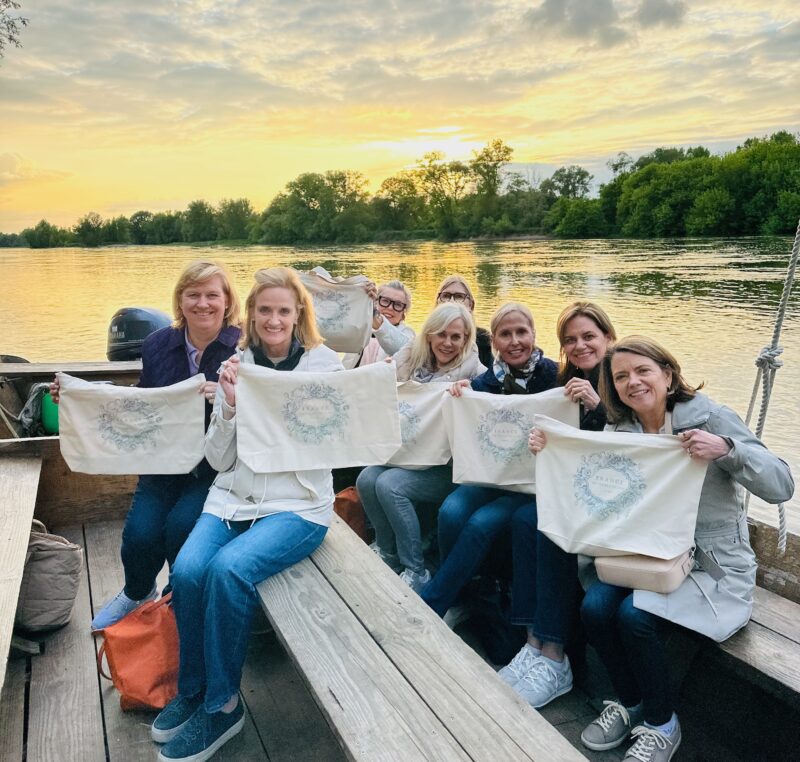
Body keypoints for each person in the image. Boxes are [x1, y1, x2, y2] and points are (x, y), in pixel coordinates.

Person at [529, 335, 794, 762]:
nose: (632, 382)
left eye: (642, 371)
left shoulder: (711, 419)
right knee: (595, 605)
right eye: (620, 377)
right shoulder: (622, 430)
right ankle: (630, 703)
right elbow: (591, 486)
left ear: (667, 375)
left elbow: (781, 484)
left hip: (710, 566)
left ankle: (661, 722)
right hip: (646, 557)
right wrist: (549, 453)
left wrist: (727, 450)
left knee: (636, 615)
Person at [151, 267, 343, 762]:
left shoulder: (326, 368)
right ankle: (192, 689)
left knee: (228, 571)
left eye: (283, 309)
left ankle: (224, 706)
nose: (274, 319)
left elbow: (345, 442)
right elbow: (217, 460)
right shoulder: (238, 363)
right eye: (265, 310)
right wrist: (230, 406)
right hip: (233, 497)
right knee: (190, 571)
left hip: (298, 506)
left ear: (298, 312)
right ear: (252, 316)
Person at [51, 259, 242, 630]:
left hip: (215, 465)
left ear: (227, 300)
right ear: (180, 300)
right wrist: (81, 396)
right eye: (193, 295)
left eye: (212, 295)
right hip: (162, 459)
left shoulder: (244, 346)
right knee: (140, 532)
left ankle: (175, 598)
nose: (203, 304)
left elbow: (267, 397)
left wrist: (227, 395)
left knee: (181, 526)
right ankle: (137, 592)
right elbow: (142, 402)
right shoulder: (157, 343)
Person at [496, 301, 617, 708]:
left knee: (549, 527)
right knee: (525, 519)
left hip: (613, 499)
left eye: (588, 337)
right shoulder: (566, 382)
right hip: (580, 490)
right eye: (571, 340)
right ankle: (533, 640)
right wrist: (542, 442)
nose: (580, 346)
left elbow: (632, 442)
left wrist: (598, 407)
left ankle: (555, 656)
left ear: (608, 338)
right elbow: (564, 445)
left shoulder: (623, 376)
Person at [419, 302, 557, 638]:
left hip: (533, 485)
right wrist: (460, 393)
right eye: (505, 334)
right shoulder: (485, 382)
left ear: (534, 334)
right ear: (493, 341)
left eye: (521, 332)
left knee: (481, 523)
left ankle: (431, 603)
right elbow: (469, 414)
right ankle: (462, 595)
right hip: (494, 478)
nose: (514, 341)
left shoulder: (554, 375)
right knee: (452, 510)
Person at [357, 302, 485, 591]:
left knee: (390, 484)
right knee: (366, 478)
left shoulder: (476, 374)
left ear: (466, 340)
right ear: (429, 334)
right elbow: (373, 387)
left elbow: (486, 416)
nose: (448, 343)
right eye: (441, 334)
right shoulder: (408, 360)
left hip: (446, 467)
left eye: (457, 337)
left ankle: (416, 569)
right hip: (408, 455)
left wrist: (470, 397)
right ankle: (388, 553)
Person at [345, 279, 415, 367]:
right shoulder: (360, 327)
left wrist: (377, 319)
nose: (390, 308)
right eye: (385, 301)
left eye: (398, 305)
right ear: (376, 302)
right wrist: (359, 294)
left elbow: (403, 350)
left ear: (403, 313)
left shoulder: (408, 335)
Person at [434, 274, 494, 368]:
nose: (452, 301)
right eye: (446, 296)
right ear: (437, 302)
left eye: (459, 296)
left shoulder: (485, 343)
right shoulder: (426, 340)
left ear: (471, 305)